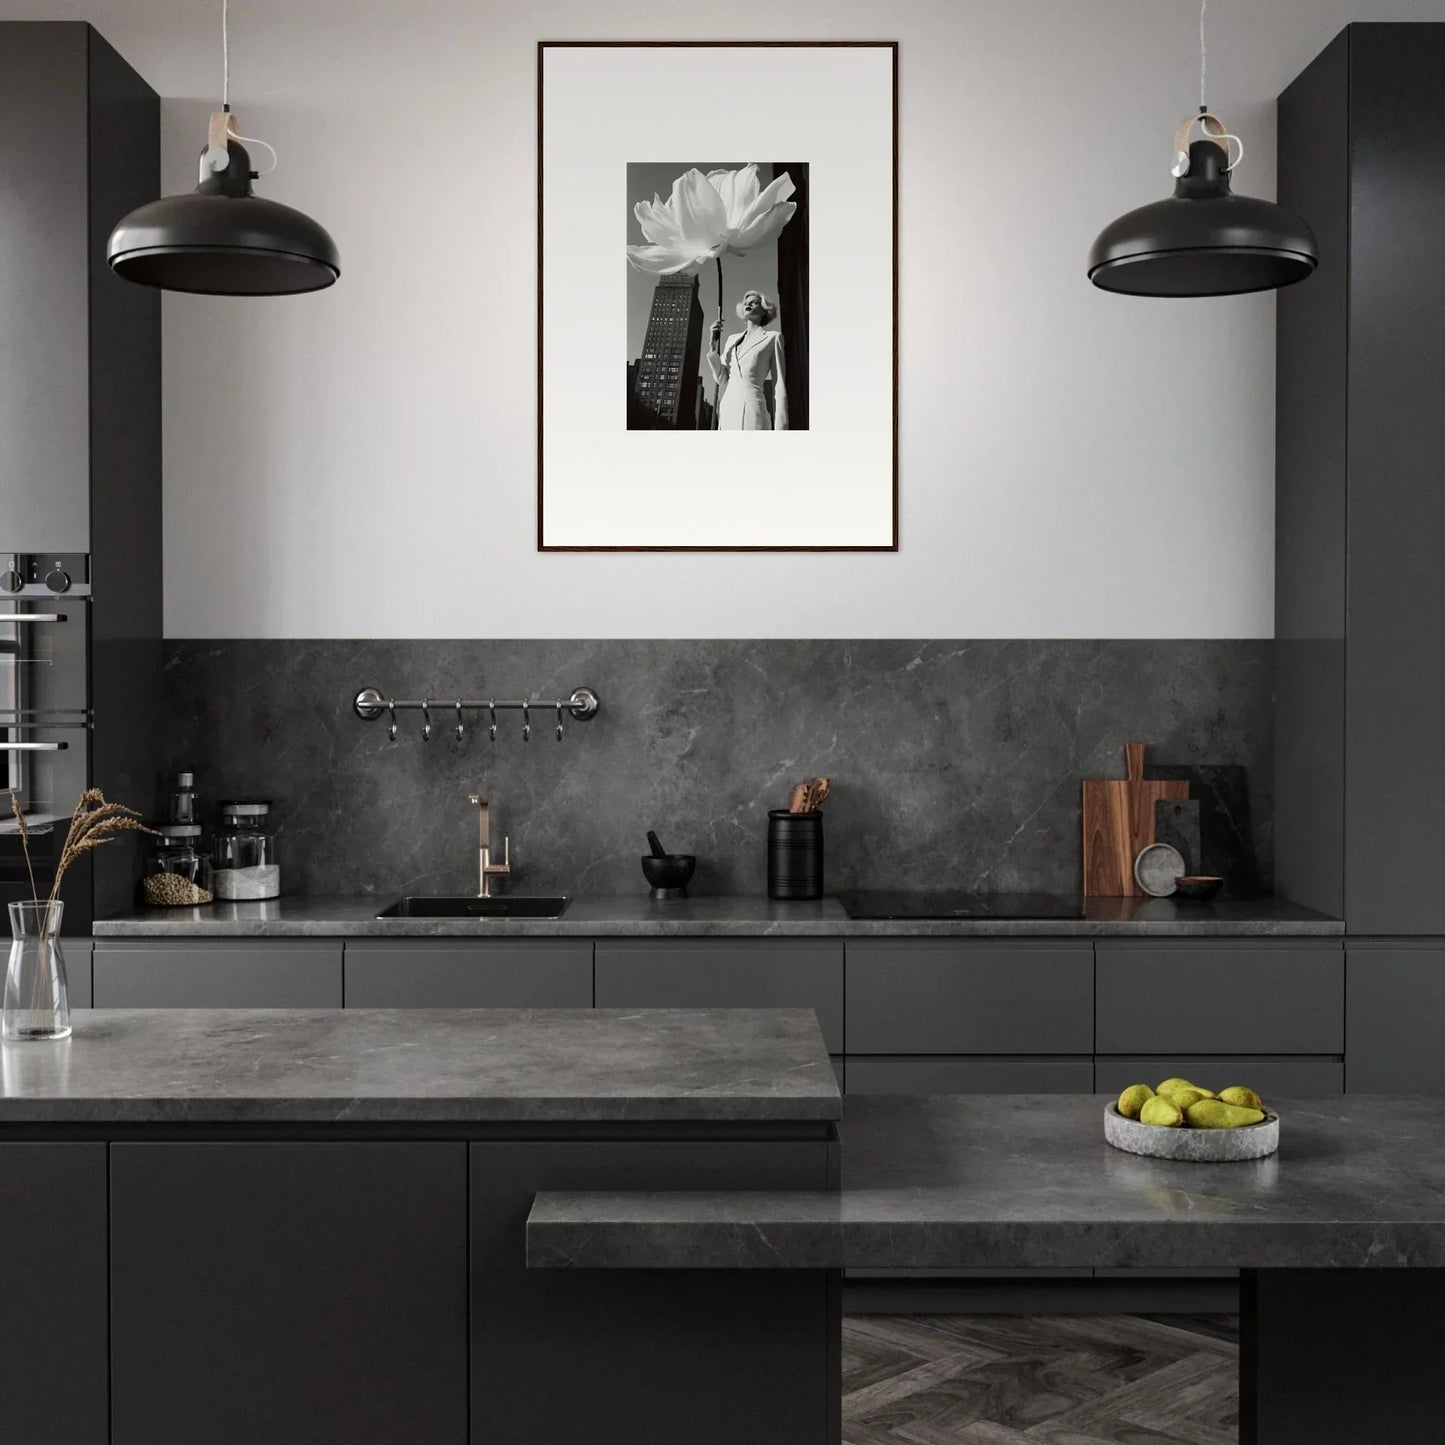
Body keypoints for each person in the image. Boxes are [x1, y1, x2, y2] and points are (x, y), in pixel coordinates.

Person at [703, 290, 789, 430]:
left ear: (764, 311)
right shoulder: (732, 339)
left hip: (752, 412)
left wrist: (781, 429)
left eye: (754, 302)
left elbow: (779, 386)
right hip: (727, 411)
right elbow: (722, 379)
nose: (748, 304)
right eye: (746, 303)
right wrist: (712, 345)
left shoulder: (773, 337)